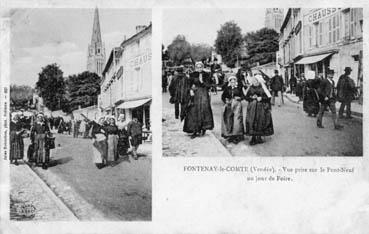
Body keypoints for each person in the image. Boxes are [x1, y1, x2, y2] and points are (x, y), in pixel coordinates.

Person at [183, 61, 214, 138]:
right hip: (195, 94)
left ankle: (203, 128)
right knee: (194, 111)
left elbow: (210, 85)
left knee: (204, 109)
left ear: (202, 67)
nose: (199, 68)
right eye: (198, 67)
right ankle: (194, 130)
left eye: (200, 67)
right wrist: (190, 90)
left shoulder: (207, 75)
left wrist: (203, 82)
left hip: (204, 93)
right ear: (195, 68)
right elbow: (189, 84)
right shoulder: (192, 74)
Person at [244, 74, 274, 145]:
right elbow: (246, 97)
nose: (254, 82)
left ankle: (259, 137)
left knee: (260, 122)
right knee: (251, 121)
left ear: (258, 81)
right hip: (251, 108)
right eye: (253, 80)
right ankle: (253, 138)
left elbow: (269, 98)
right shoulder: (250, 88)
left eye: (255, 80)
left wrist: (261, 98)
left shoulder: (263, 88)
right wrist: (251, 97)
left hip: (261, 108)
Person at [221, 75, 244, 143]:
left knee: (237, 120)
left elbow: (243, 96)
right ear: (229, 82)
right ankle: (230, 135)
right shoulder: (227, 88)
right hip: (229, 105)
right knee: (229, 119)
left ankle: (237, 135)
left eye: (234, 82)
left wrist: (239, 98)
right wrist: (226, 101)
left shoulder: (239, 88)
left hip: (237, 105)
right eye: (231, 82)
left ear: (236, 82)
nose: (233, 83)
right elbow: (223, 96)